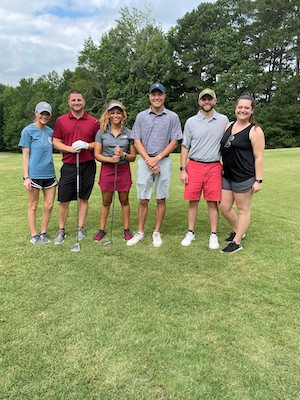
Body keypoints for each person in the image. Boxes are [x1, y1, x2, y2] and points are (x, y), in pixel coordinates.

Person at [126, 83, 182, 247]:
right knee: (143, 198)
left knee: (161, 198)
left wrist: (157, 158)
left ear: (164, 96)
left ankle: (156, 232)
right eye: (153, 94)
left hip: (163, 161)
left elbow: (174, 141)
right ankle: (141, 231)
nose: (156, 98)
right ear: (149, 96)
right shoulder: (141, 116)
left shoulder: (172, 117)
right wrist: (149, 160)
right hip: (145, 161)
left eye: (160, 94)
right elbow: (137, 140)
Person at [180, 88, 229, 249]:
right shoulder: (191, 121)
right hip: (194, 165)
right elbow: (185, 146)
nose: (207, 102)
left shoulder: (223, 120)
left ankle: (213, 235)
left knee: (213, 202)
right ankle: (190, 232)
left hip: (214, 166)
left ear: (215, 101)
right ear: (199, 102)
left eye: (210, 99)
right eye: (204, 99)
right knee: (193, 201)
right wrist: (183, 169)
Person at [219, 94, 265, 253]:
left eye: (247, 108)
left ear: (252, 111)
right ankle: (238, 230)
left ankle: (237, 242)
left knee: (242, 209)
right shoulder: (228, 125)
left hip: (244, 177)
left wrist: (258, 180)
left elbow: (259, 157)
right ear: (235, 108)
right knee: (224, 206)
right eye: (240, 107)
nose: (243, 110)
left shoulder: (255, 130)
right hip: (227, 175)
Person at [52, 90, 100, 244]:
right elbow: (56, 141)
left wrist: (87, 145)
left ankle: (80, 228)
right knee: (64, 199)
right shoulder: (61, 120)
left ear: (84, 101)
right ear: (69, 102)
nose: (76, 102)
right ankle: (61, 230)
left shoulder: (93, 122)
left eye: (79, 100)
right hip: (69, 165)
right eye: (73, 100)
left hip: (87, 165)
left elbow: (98, 143)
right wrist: (69, 149)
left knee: (83, 198)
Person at [93, 100, 136, 242]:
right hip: (107, 169)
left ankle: (126, 230)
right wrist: (110, 160)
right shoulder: (102, 133)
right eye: (113, 113)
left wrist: (123, 155)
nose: (116, 115)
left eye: (119, 112)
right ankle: (101, 230)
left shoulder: (129, 133)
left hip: (123, 170)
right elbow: (97, 154)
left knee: (124, 200)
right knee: (106, 202)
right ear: (109, 115)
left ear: (123, 115)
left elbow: (133, 157)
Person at [19, 102, 57, 244]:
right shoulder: (27, 131)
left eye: (47, 114)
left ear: (50, 116)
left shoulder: (51, 132)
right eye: (42, 113)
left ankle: (43, 232)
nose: (44, 116)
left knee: (49, 205)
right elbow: (25, 155)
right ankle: (34, 235)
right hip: (34, 175)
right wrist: (26, 177)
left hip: (50, 174)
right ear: (36, 113)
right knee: (33, 205)